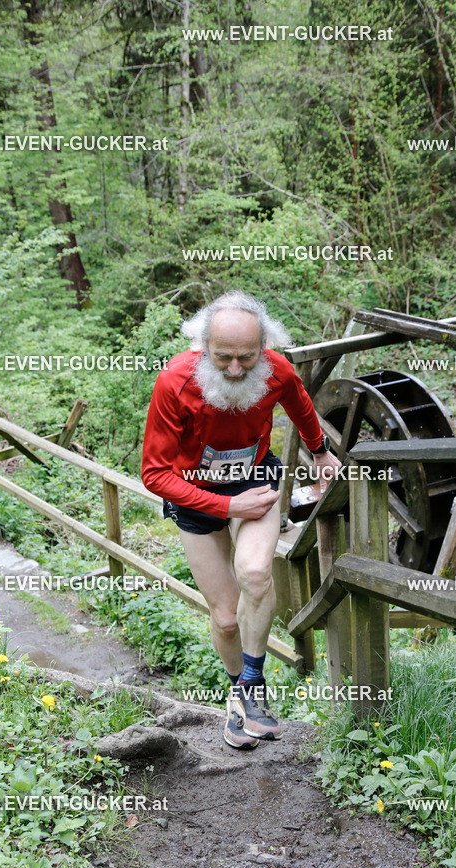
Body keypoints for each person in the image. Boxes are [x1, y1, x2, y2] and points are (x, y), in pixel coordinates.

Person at [141, 291, 342, 749]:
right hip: (194, 494)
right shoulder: (174, 382)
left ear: (263, 347)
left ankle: (253, 685)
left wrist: (320, 451)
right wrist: (229, 507)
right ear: (203, 345)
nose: (235, 370)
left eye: (247, 358)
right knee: (226, 617)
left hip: (255, 479)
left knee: (254, 572)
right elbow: (154, 474)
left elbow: (300, 404)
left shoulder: (276, 369)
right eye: (223, 357)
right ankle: (238, 692)